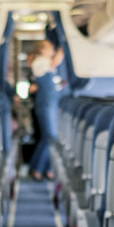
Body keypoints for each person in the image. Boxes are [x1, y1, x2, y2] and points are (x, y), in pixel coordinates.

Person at [27, 39, 64, 181]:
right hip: (45, 104)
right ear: (42, 50)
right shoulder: (40, 62)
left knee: (49, 137)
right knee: (49, 136)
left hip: (50, 103)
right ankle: (38, 168)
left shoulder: (44, 62)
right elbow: (55, 61)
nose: (53, 50)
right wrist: (64, 43)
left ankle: (43, 168)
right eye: (50, 47)